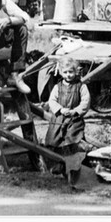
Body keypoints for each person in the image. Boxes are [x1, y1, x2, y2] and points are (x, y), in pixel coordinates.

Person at [43, 56, 91, 185]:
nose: (68, 75)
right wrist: (60, 109)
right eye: (65, 72)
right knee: (54, 141)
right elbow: (52, 101)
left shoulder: (81, 86)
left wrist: (76, 111)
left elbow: (85, 102)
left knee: (72, 142)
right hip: (59, 119)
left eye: (71, 72)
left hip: (74, 120)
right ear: (60, 72)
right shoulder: (57, 87)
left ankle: (74, 169)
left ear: (76, 72)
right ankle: (57, 166)